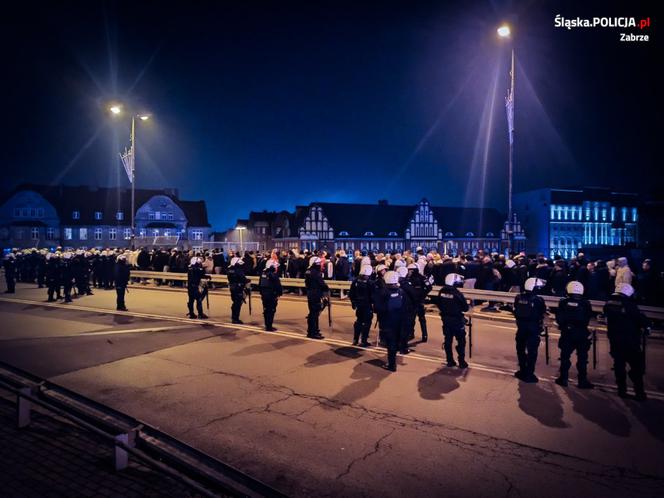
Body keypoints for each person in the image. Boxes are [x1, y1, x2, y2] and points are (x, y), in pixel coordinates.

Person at [603, 283, 650, 400]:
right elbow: (641, 320)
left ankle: (621, 390)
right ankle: (639, 393)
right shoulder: (630, 306)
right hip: (630, 342)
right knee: (637, 367)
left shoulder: (608, 304)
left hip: (615, 341)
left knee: (619, 366)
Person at [554, 281, 594, 389]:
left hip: (567, 333)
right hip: (581, 333)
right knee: (582, 358)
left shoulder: (563, 302)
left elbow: (559, 318)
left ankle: (563, 378)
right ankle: (582, 381)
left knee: (565, 357)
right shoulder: (586, 303)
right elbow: (588, 318)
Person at [512, 278, 547, 383]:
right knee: (532, 352)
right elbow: (542, 312)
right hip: (533, 329)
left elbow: (515, 310)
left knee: (520, 350)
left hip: (521, 328)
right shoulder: (538, 300)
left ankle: (522, 371)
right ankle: (529, 374)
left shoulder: (518, 297)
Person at [433, 273, 469, 368]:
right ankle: (461, 361)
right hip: (457, 320)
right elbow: (465, 308)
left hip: (446, 319)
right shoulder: (457, 293)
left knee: (448, 340)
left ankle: (449, 360)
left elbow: (439, 304)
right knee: (461, 341)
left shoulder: (441, 291)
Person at [374, 271, 405, 372]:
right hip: (398, 321)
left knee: (390, 343)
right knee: (395, 341)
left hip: (387, 321)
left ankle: (392, 365)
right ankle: (393, 360)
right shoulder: (400, 291)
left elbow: (377, 308)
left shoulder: (383, 292)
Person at [348, 265, 374, 347]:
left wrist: (353, 302)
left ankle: (355, 339)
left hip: (358, 305)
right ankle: (364, 340)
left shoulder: (355, 281)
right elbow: (373, 295)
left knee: (359, 321)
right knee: (367, 323)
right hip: (367, 305)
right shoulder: (370, 283)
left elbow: (351, 293)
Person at [407, 263, 432, 342]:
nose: (409, 272)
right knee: (414, 318)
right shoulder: (410, 278)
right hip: (415, 301)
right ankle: (413, 333)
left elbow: (429, 287)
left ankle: (423, 334)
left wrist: (423, 295)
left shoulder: (419, 278)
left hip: (416, 301)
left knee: (419, 318)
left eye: (410, 270)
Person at [304, 257, 328, 339]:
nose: (320, 265)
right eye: (318, 263)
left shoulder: (308, 271)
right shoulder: (315, 272)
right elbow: (321, 283)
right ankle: (313, 332)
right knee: (314, 314)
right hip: (315, 294)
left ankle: (311, 331)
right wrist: (326, 288)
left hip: (310, 294)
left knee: (312, 313)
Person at [259, 259, 282, 331]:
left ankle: (267, 325)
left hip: (264, 295)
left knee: (266, 310)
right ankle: (269, 326)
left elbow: (260, 284)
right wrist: (279, 293)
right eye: (274, 266)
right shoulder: (273, 274)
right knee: (271, 310)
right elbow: (278, 285)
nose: (276, 268)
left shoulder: (263, 273)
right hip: (271, 295)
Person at [227, 256, 250, 324]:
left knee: (235, 303)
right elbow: (243, 279)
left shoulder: (229, 270)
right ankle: (235, 319)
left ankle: (234, 317)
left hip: (232, 287)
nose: (241, 265)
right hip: (238, 288)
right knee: (238, 304)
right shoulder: (238, 271)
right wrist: (248, 280)